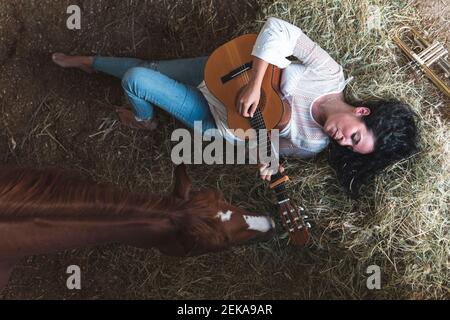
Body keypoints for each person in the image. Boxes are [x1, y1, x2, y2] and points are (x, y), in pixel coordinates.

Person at [52, 17, 418, 197]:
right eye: (354, 136)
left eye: (350, 148)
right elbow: (278, 29)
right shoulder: (329, 74)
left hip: (215, 116)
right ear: (362, 113)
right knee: (151, 69)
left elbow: (261, 143)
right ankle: (91, 61)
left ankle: (143, 119)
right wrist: (257, 85)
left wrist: (267, 158)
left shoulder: (313, 143)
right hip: (228, 75)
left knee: (136, 78)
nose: (342, 141)